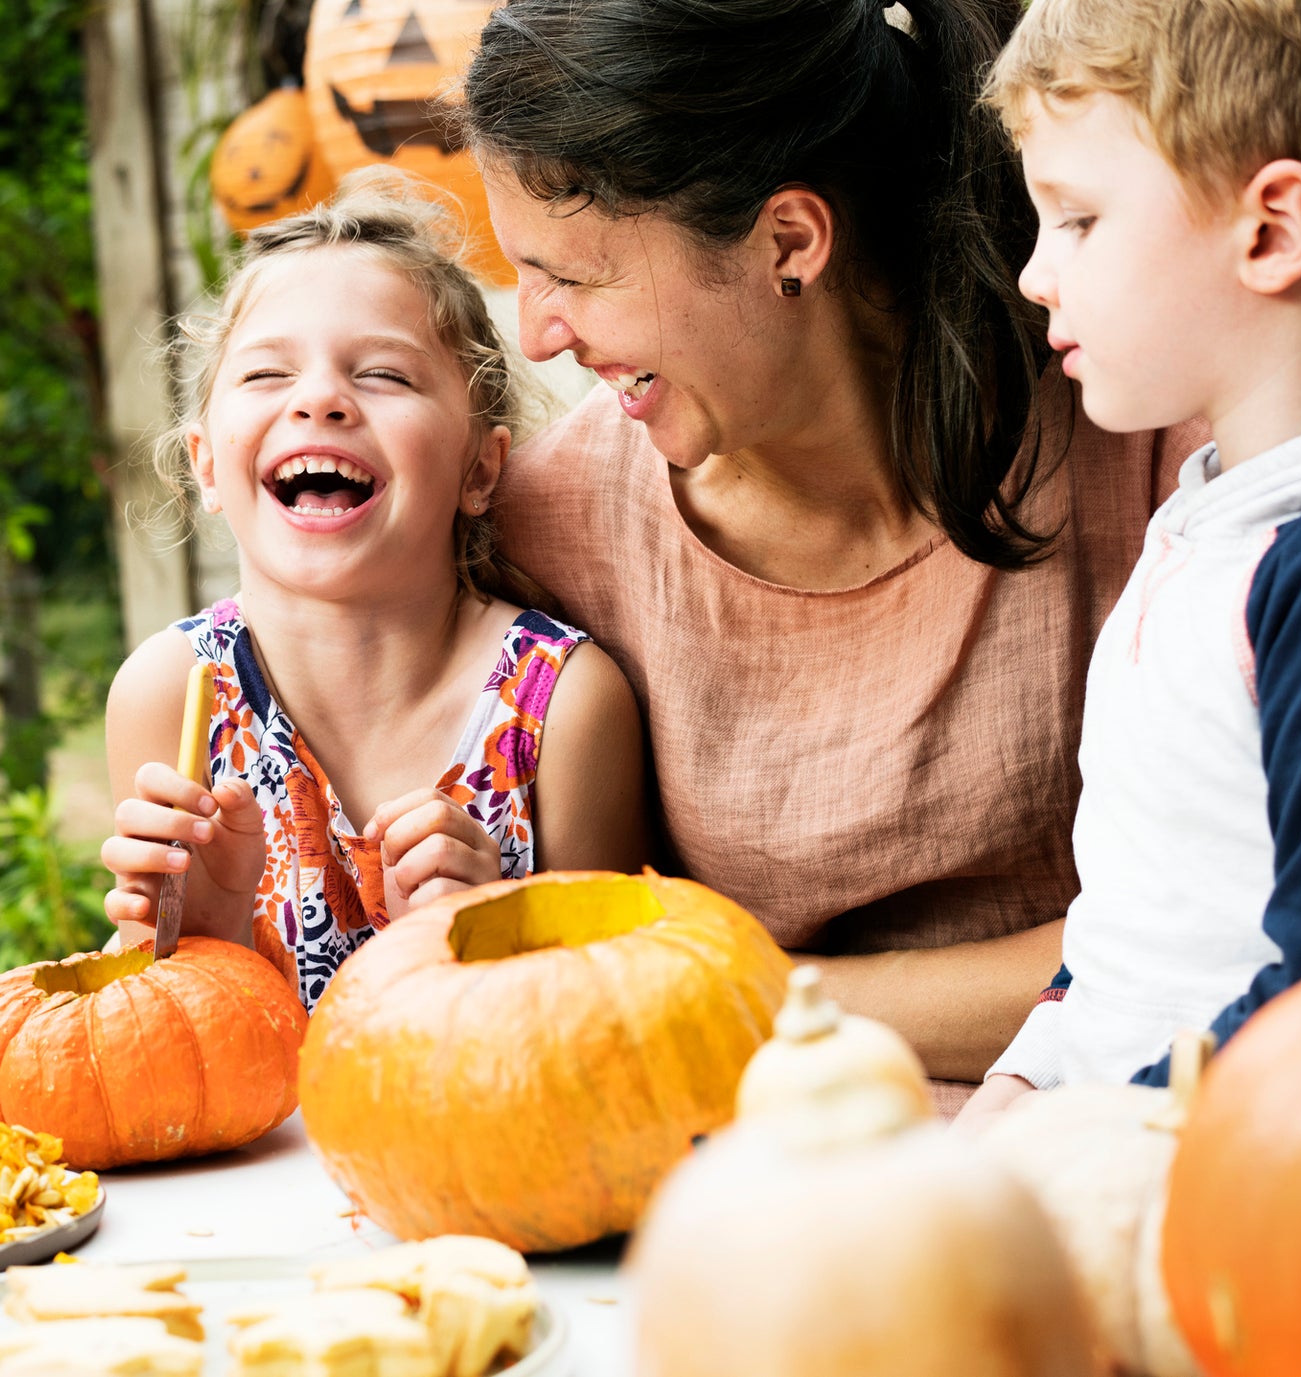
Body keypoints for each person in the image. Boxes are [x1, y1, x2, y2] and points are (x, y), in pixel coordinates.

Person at [461, 0, 1205, 1097]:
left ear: (787, 243)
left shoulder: (1141, 440)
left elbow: (1217, 931)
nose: (535, 333)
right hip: (740, 1192)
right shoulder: (552, 525)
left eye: (572, 277)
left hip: (1126, 1151)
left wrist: (745, 998)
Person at [951, 0, 1301, 1120]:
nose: (1034, 275)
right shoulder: (1214, 525)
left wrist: (1086, 1136)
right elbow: (1140, 913)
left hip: (1247, 1188)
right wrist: (1024, 1071)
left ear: (1270, 230)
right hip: (1118, 1141)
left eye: (1075, 220)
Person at [100, 177, 649, 1010]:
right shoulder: (174, 693)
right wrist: (203, 937)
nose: (319, 399)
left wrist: (489, 943)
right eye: (267, 374)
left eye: (385, 374)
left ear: (480, 468)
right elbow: (152, 1045)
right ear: (208, 464)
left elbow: (621, 1016)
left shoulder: (564, 707)